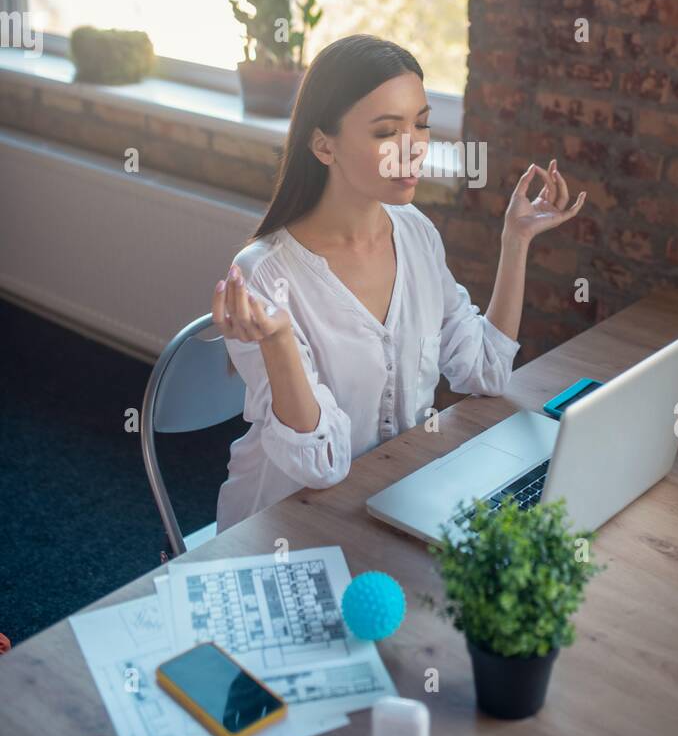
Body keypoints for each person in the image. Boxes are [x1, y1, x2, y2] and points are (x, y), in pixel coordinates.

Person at [212, 34, 586, 532]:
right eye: (387, 132)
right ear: (324, 144)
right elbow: (318, 467)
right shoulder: (264, 275)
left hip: (395, 500)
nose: (414, 149)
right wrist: (279, 338)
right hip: (284, 525)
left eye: (422, 124)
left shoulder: (415, 234)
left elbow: (484, 371)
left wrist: (515, 240)